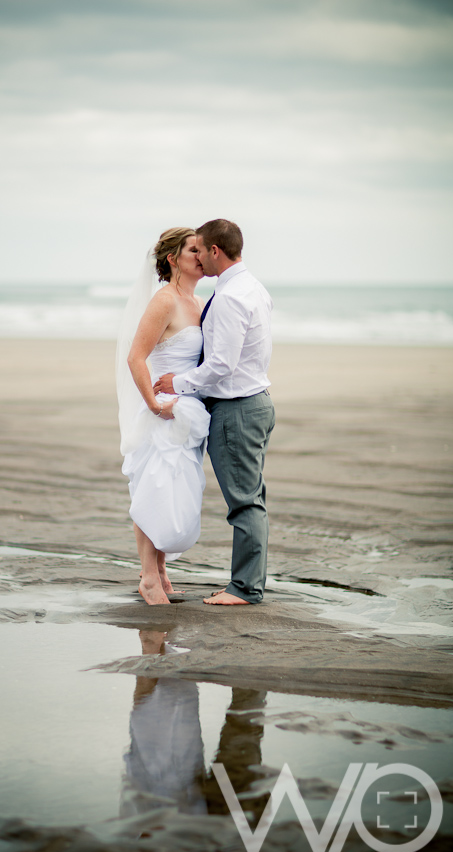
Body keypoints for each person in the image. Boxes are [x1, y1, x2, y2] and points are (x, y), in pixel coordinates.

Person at [154, 219, 275, 606]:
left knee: (244, 502)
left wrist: (178, 383)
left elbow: (220, 365)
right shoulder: (252, 287)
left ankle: (245, 588)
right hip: (256, 400)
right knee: (251, 497)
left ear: (215, 252)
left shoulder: (227, 298)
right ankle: (246, 583)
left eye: (201, 250)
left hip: (237, 409)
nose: (199, 258)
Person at [116, 227, 210, 606]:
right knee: (152, 488)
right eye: (193, 251)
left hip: (187, 413)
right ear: (173, 259)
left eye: (203, 251)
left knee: (175, 491)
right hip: (161, 411)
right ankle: (149, 577)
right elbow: (135, 357)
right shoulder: (164, 300)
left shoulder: (199, 302)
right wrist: (154, 406)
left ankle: (161, 571)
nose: (201, 257)